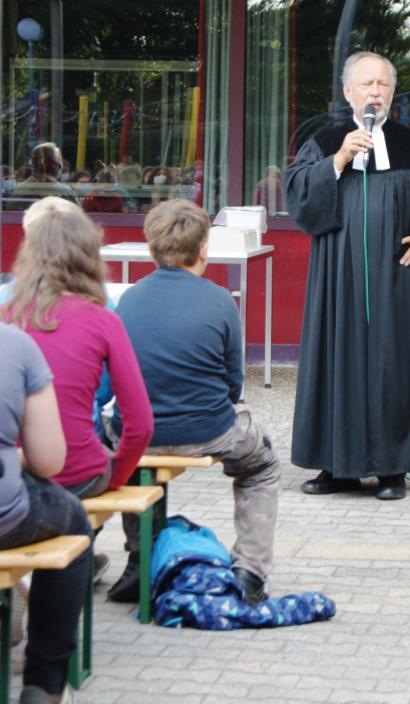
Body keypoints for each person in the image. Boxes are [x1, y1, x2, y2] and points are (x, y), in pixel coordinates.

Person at [283, 50, 410, 500]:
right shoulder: (324, 143)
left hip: (398, 279)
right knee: (337, 364)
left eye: (382, 84)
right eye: (366, 83)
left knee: (394, 366)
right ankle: (337, 467)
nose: (375, 92)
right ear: (348, 91)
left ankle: (392, 469)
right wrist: (338, 161)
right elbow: (297, 195)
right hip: (337, 279)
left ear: (392, 92)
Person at [108, 199, 281, 606]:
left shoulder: (128, 300)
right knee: (263, 465)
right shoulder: (220, 300)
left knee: (133, 460)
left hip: (139, 432)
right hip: (208, 429)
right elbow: (233, 384)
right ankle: (250, 572)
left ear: (151, 247)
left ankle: (140, 559)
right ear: (204, 248)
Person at [0, 207, 153, 501]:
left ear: (29, 256)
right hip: (80, 474)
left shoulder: (6, 317)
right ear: (90, 257)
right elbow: (140, 423)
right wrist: (117, 475)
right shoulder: (104, 320)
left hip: (15, 476)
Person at [0, 321, 93, 704]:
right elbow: (50, 460)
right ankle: (44, 684)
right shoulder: (15, 344)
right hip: (7, 517)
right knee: (74, 521)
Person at [7, 143, 78, 211]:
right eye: (59, 159)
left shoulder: (19, 189)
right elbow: (77, 214)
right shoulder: (64, 191)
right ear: (54, 164)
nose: (60, 164)